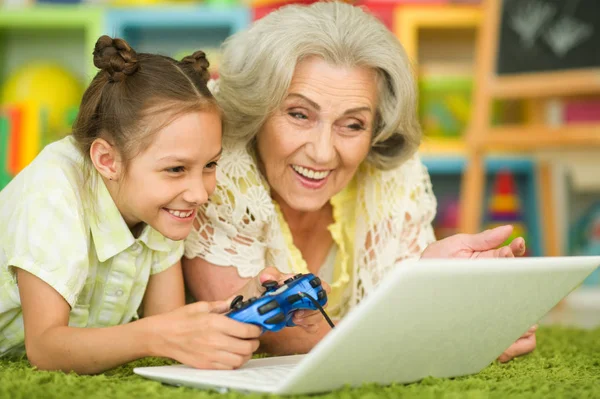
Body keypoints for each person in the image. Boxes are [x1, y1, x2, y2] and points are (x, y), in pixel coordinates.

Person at [182, 1, 536, 361]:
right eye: (299, 114)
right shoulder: (214, 168)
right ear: (257, 110)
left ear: (377, 129)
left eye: (352, 125)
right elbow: (277, 335)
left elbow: (406, 311)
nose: (322, 153)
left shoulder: (394, 179)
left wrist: (435, 280)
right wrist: (452, 339)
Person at [0, 35, 275, 374]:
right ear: (107, 160)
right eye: (176, 169)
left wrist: (250, 301)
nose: (200, 194)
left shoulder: (159, 205)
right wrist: (154, 336)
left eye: (210, 165)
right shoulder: (53, 192)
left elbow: (168, 326)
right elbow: (45, 348)